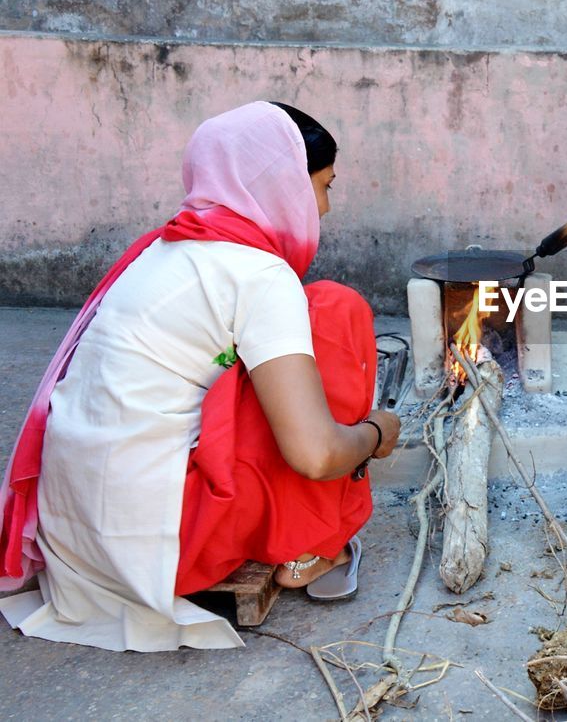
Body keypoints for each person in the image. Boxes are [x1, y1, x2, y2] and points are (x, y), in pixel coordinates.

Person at [0, 101, 402, 650]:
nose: (327, 208)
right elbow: (315, 455)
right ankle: (315, 545)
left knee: (271, 362)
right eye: (325, 186)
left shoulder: (163, 250)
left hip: (75, 541)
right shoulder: (260, 275)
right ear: (285, 185)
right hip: (165, 552)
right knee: (333, 309)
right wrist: (378, 433)